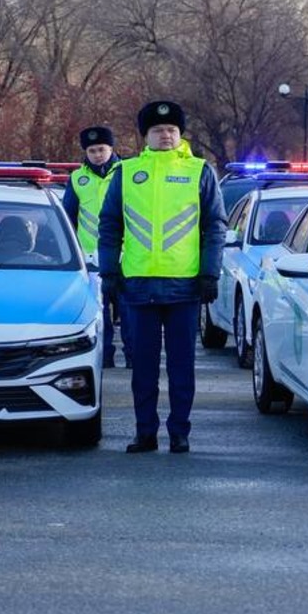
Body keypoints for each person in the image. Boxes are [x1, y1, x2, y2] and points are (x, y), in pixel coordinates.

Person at [98, 101, 225, 454]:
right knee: (143, 368)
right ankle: (145, 432)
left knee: (182, 367)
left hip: (185, 286)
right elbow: (109, 225)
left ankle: (180, 431)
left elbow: (215, 226)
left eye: (171, 130)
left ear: (180, 133)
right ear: (146, 136)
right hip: (137, 286)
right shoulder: (126, 173)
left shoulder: (200, 171)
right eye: (158, 130)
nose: (165, 135)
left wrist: (210, 273)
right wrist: (109, 271)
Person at [63, 125, 127, 368]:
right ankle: (105, 356)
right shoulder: (77, 179)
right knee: (99, 314)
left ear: (111, 148)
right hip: (89, 258)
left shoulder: (126, 173)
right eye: (92, 150)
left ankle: (133, 357)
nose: (98, 154)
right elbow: (69, 217)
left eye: (102, 149)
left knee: (128, 311)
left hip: (125, 255)